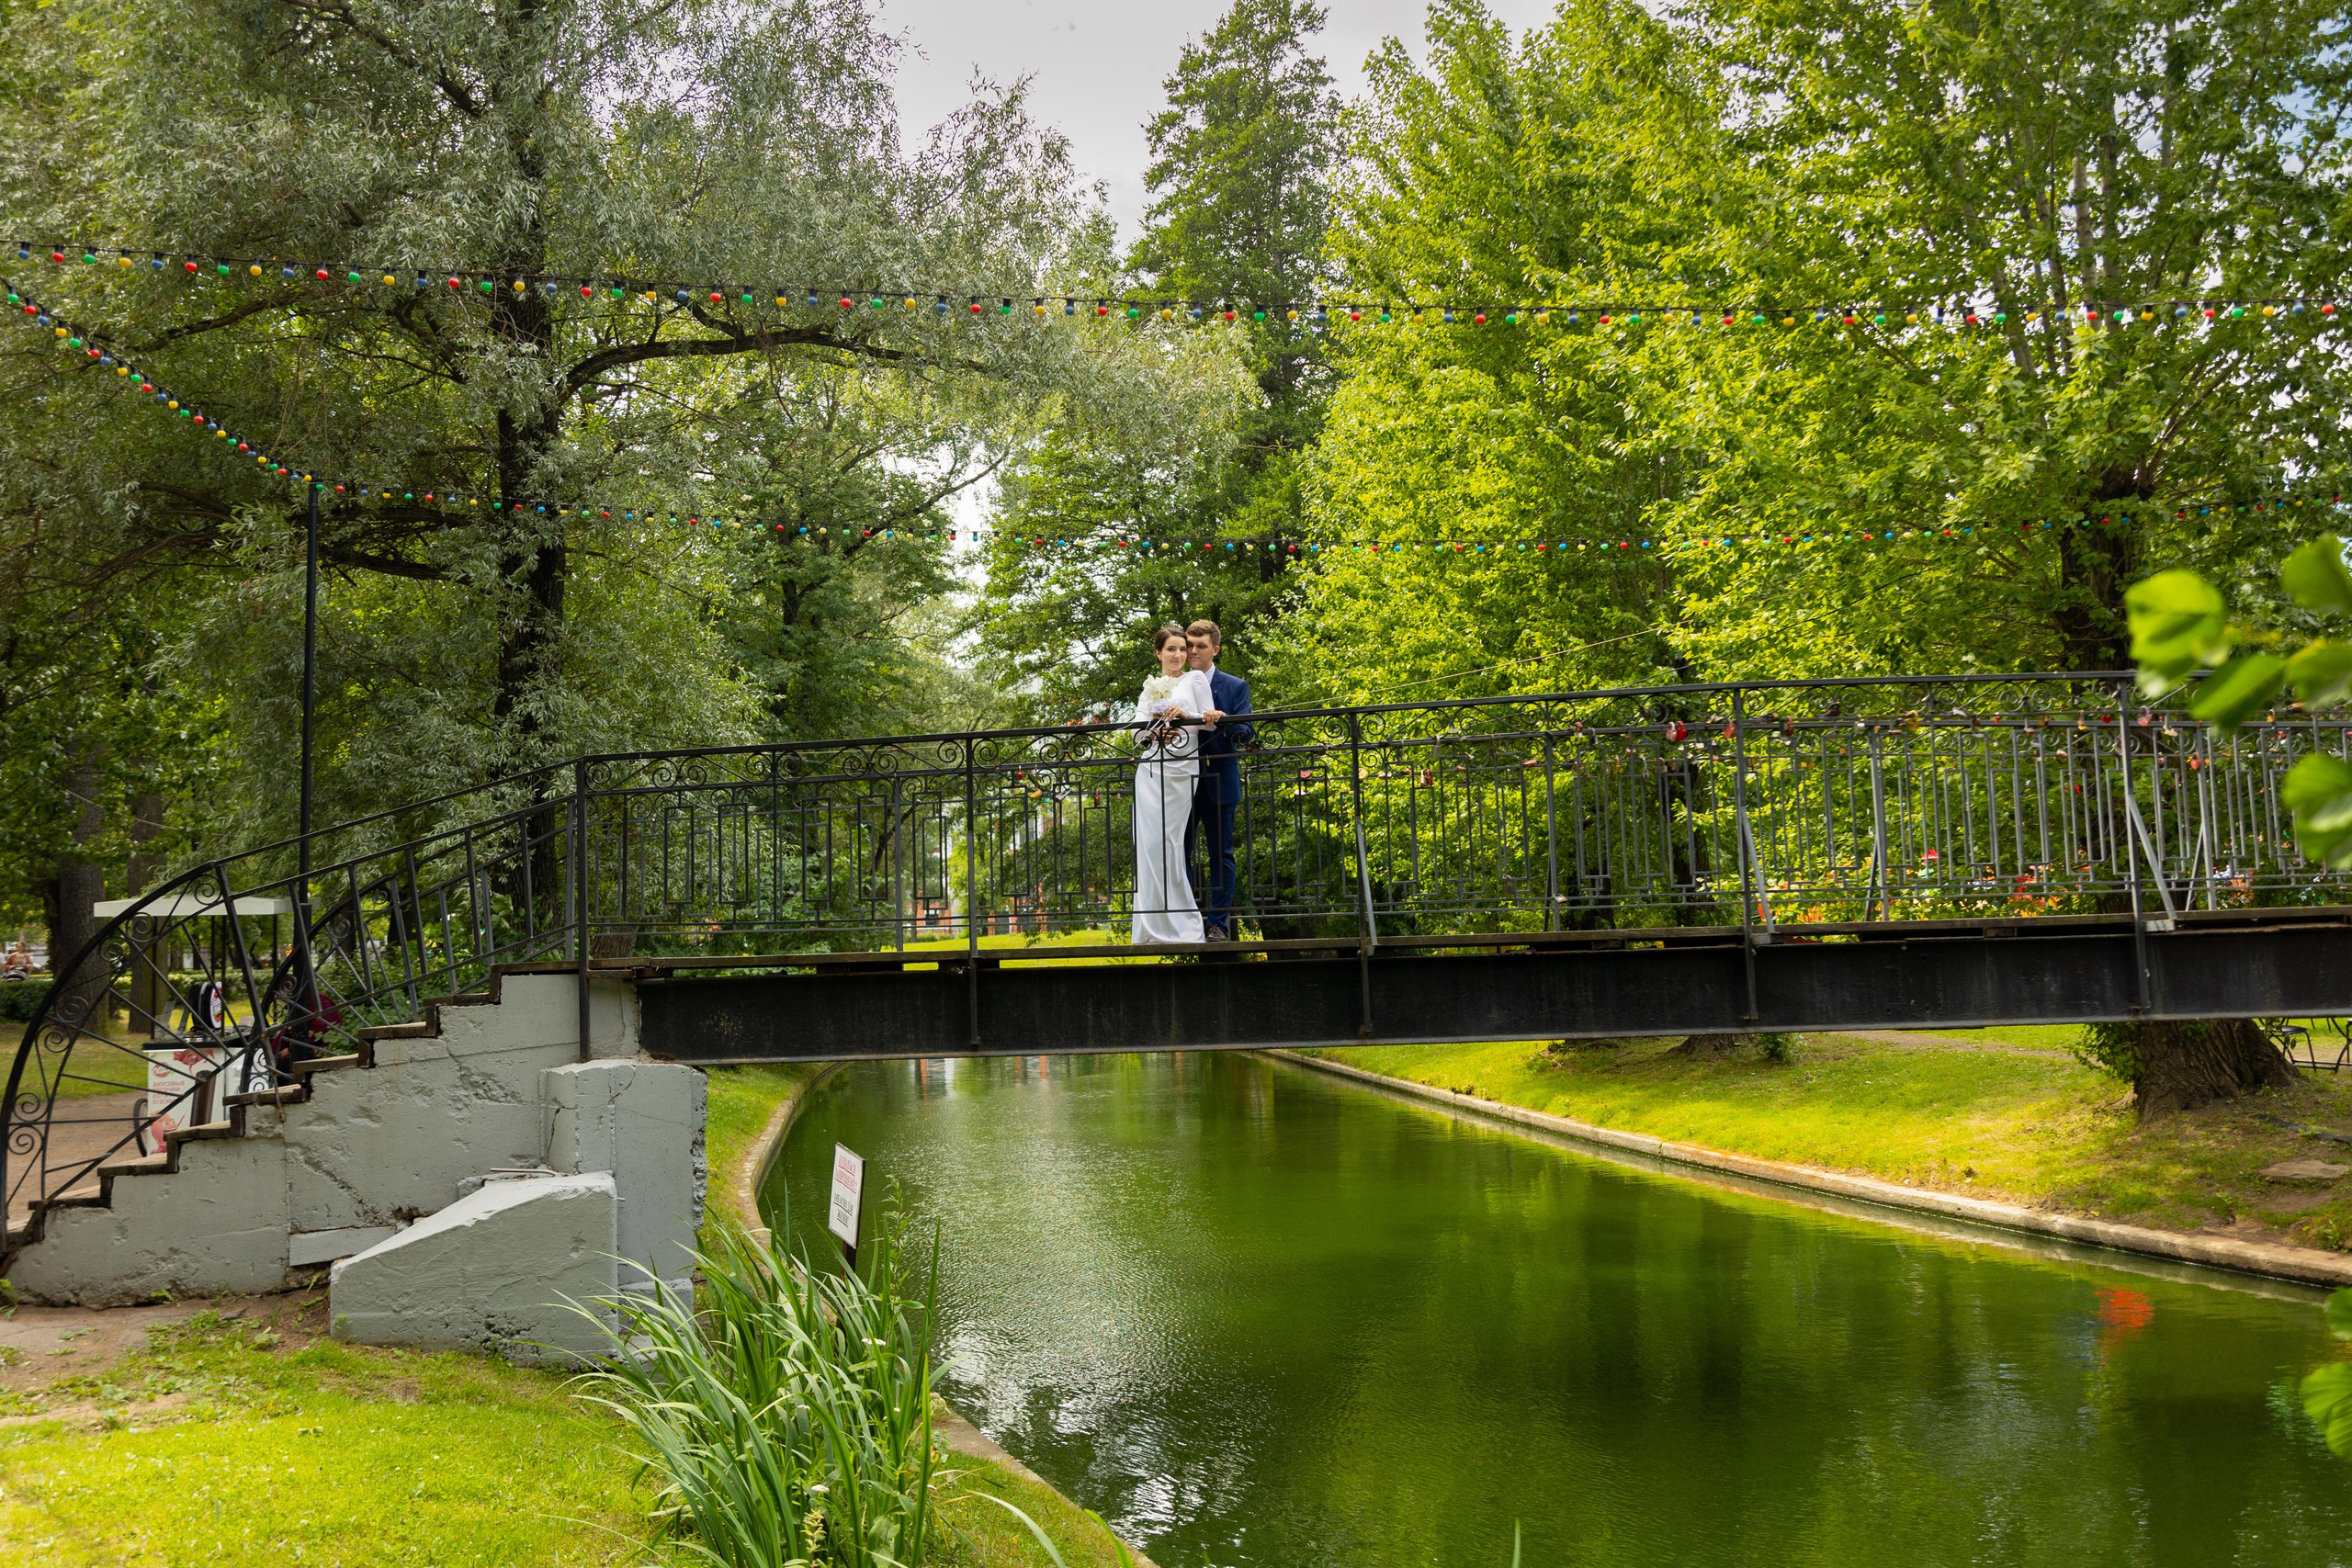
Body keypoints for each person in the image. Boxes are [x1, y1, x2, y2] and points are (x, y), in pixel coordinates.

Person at [1131, 624, 1216, 944]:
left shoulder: (1194, 679)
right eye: (1172, 649)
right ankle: (1151, 926)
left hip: (1181, 771)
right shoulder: (1149, 686)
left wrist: (1187, 713)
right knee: (1150, 845)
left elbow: (1209, 723)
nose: (1180, 655)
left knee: (1170, 843)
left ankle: (1183, 926)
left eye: (1183, 649)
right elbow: (1136, 733)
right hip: (1151, 770)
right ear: (1158, 653)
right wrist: (1155, 730)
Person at [1184, 619, 1253, 942]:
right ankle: (1185, 921)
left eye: (1200, 646)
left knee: (1221, 855)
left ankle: (1218, 924)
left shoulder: (1234, 686)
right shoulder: (1175, 683)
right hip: (1180, 783)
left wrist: (1226, 720)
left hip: (1219, 782)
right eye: (1189, 645)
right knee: (1177, 852)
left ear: (1215, 649)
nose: (1193, 651)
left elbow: (1246, 733)